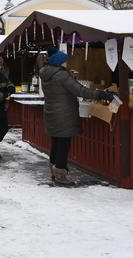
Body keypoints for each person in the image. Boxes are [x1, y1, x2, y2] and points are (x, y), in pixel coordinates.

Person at [39, 50, 113, 186]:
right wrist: (101, 94)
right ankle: (60, 176)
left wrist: (69, 76)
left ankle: (54, 172)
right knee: (63, 145)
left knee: (56, 143)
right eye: (65, 61)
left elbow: (60, 89)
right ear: (60, 62)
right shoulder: (61, 75)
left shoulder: (47, 73)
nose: (67, 63)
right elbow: (80, 90)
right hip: (63, 115)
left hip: (52, 112)